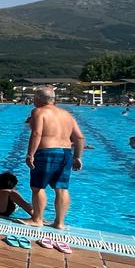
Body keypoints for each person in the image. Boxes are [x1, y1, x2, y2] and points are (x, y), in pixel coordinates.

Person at [21, 86, 85, 229]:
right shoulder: (67, 114)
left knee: (37, 187)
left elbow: (37, 134)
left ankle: (37, 219)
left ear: (38, 98)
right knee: (61, 188)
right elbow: (79, 137)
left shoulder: (38, 111)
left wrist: (30, 154)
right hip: (66, 153)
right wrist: (77, 157)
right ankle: (59, 223)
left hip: (46, 152)